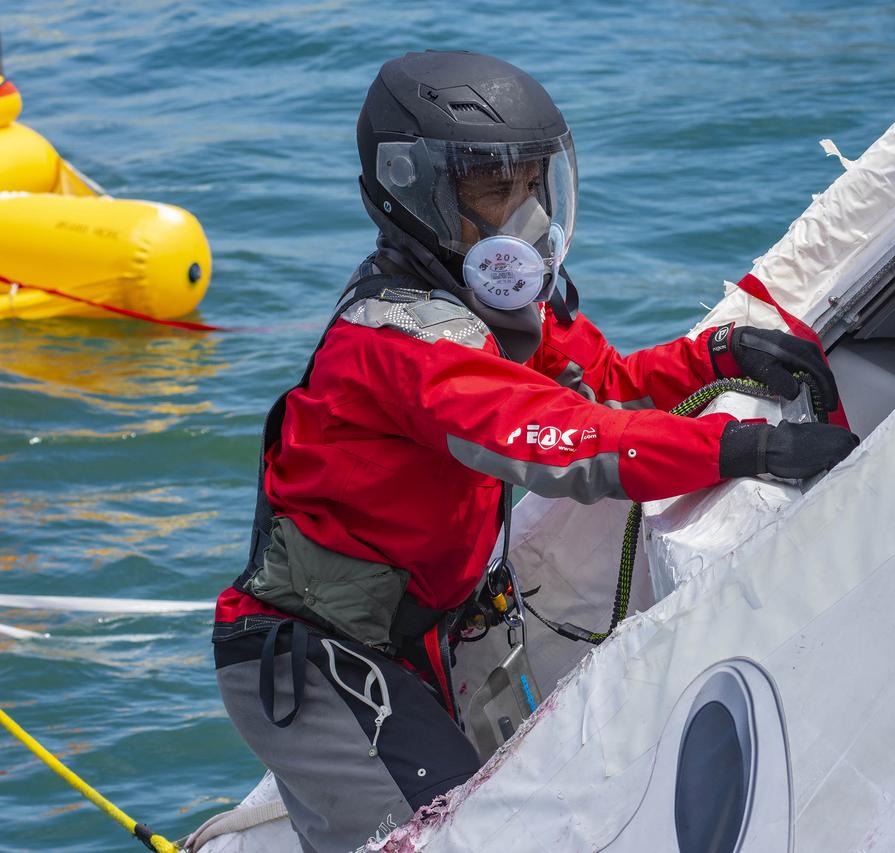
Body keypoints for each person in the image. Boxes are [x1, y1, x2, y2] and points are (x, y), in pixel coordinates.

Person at [211, 49, 857, 853]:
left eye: (529, 185)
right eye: (493, 190)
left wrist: (719, 354)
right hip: (321, 660)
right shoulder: (402, 344)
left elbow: (606, 383)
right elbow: (567, 441)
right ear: (417, 193)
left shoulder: (486, 303)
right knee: (450, 838)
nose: (525, 217)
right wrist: (742, 448)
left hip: (409, 642)